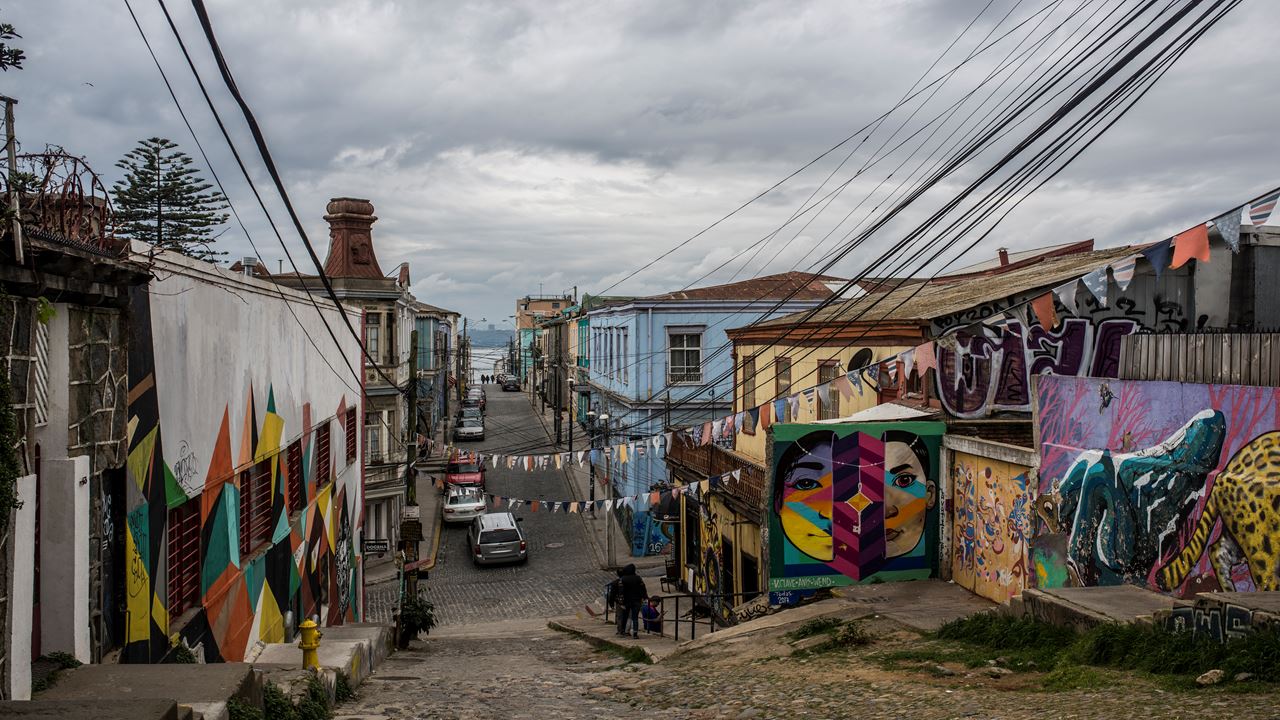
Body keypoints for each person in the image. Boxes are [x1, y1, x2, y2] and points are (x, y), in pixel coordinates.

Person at [616, 563, 648, 638]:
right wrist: (645, 597)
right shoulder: (638, 578)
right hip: (637, 600)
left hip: (627, 601)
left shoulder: (623, 579)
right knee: (635, 617)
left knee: (625, 616)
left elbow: (621, 592)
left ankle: (623, 631)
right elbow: (643, 589)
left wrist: (621, 602)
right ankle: (635, 633)